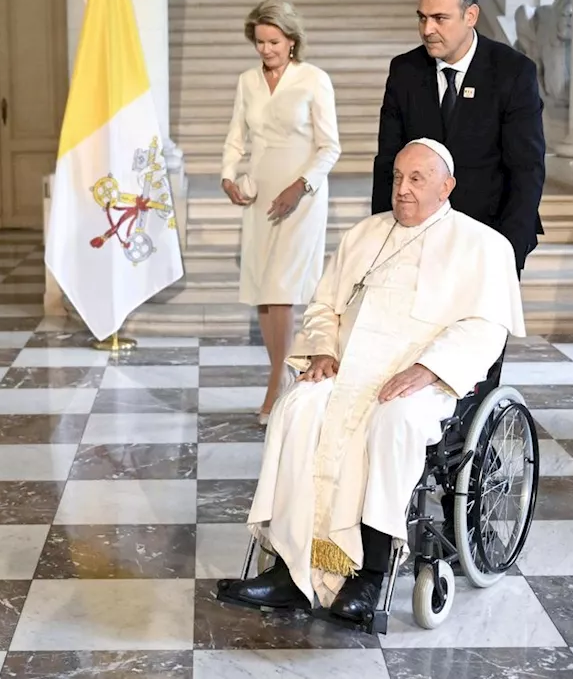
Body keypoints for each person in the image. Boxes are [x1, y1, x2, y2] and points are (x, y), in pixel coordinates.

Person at [217, 139, 524, 626]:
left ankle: (371, 574)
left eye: (417, 180)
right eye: (398, 177)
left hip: (423, 382)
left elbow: (485, 328)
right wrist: (322, 350)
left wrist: (430, 369)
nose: (402, 190)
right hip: (346, 369)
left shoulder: (482, 245)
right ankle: (290, 571)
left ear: (447, 187)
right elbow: (324, 307)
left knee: (394, 420)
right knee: (298, 408)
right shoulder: (364, 234)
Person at [371, 0, 545, 273]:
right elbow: (388, 162)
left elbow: (526, 169)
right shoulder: (405, 71)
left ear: (471, 16)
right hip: (418, 241)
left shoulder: (513, 71)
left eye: (440, 18)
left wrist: (510, 252)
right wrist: (385, 237)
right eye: (422, 17)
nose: (427, 29)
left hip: (490, 237)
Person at [221, 0, 341, 424]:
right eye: (259, 42)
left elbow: (330, 147)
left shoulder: (314, 80)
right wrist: (228, 177)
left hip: (301, 196)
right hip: (260, 195)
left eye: (273, 41)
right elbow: (236, 138)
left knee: (284, 288)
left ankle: (277, 380)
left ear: (292, 41)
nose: (265, 50)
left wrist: (299, 186)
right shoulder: (247, 82)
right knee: (262, 288)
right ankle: (281, 373)